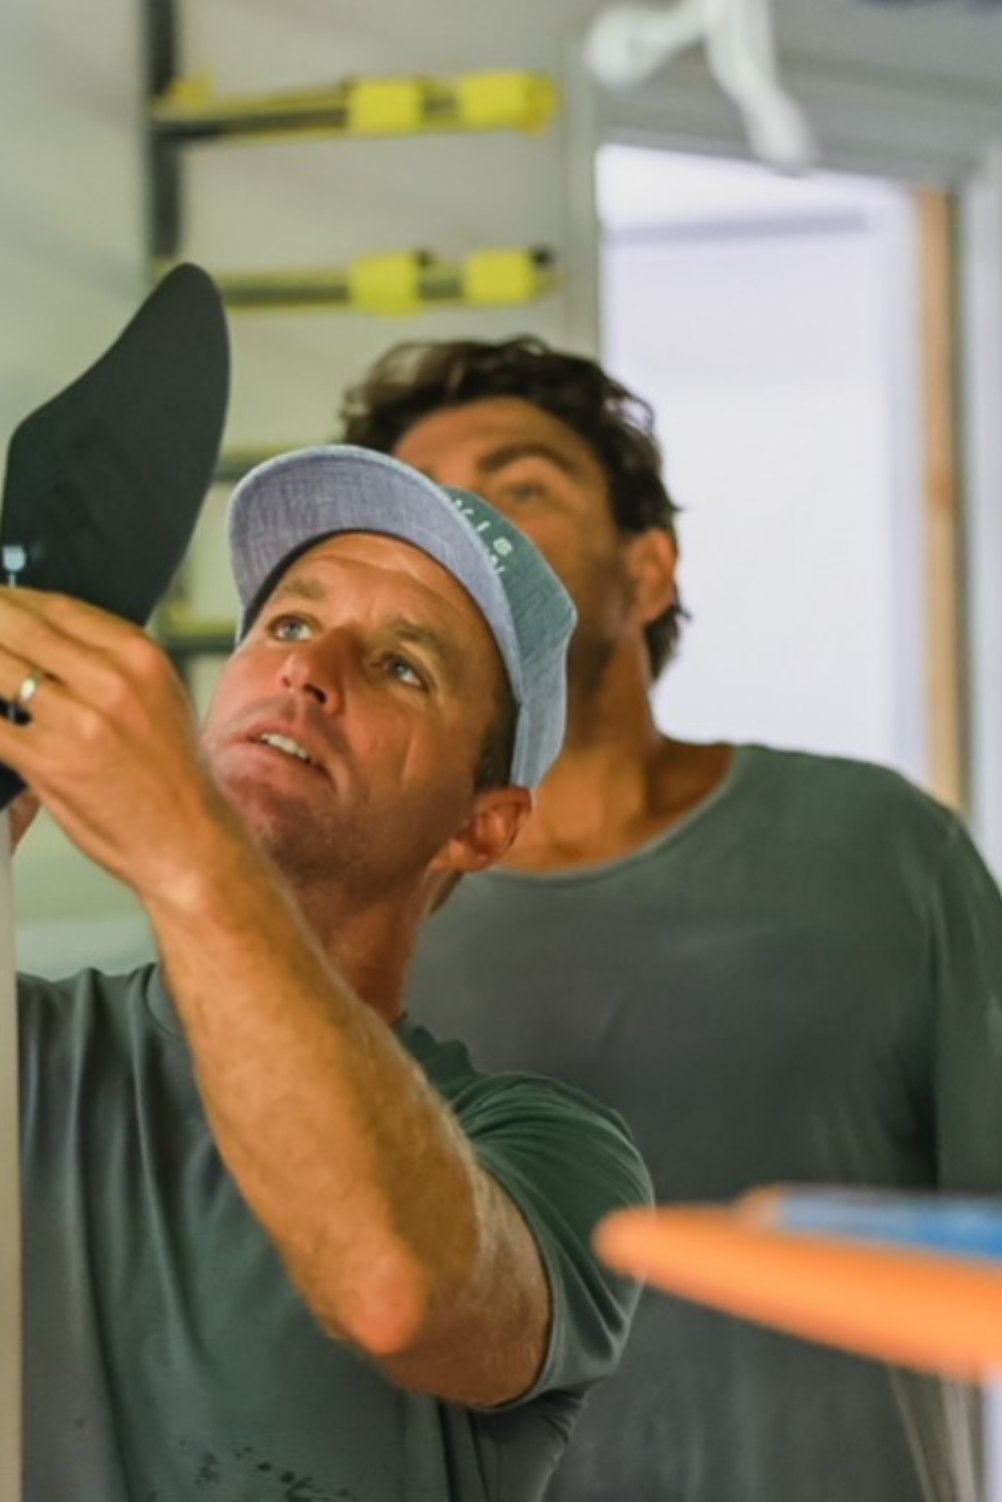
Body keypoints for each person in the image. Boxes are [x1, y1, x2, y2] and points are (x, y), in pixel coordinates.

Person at [0, 444, 653, 1502]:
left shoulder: (557, 1159)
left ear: (480, 827)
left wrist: (184, 850)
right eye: (291, 625)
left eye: (402, 666)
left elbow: (396, 1288)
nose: (308, 670)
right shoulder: (11, 1050)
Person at [338, 335, 1002, 1502]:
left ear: (646, 573)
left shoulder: (883, 848)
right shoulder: (348, 908)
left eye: (520, 487)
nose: (470, 532)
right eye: (430, 507)